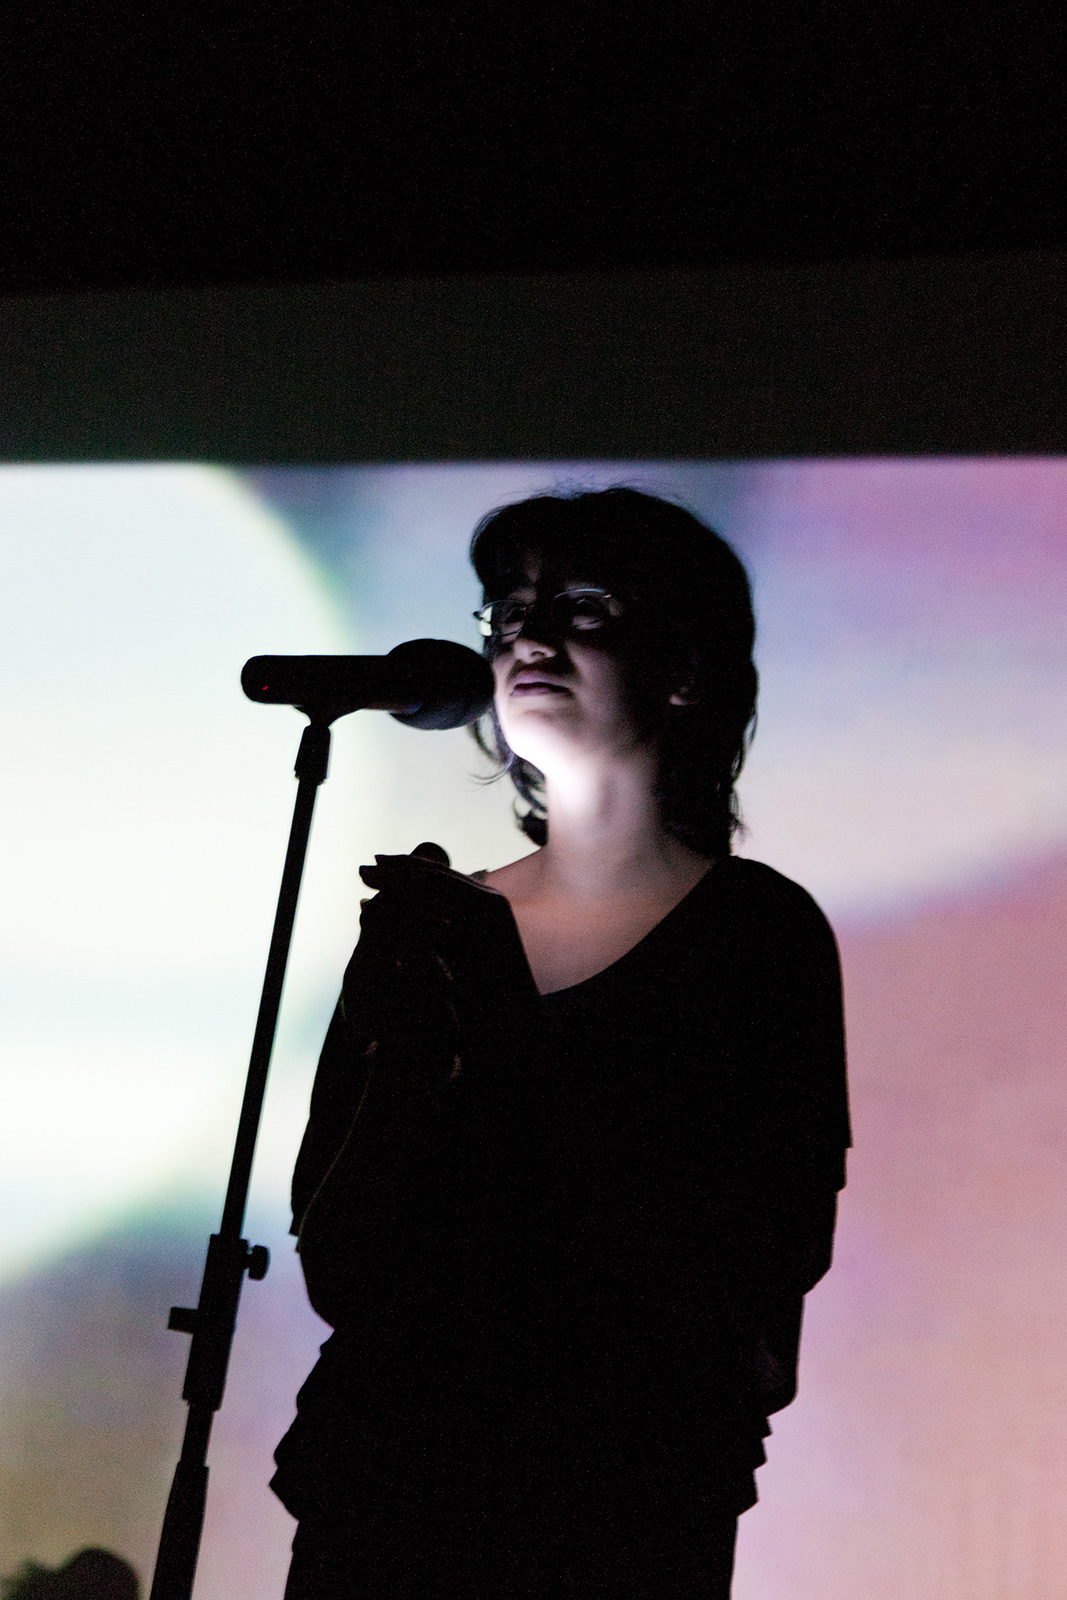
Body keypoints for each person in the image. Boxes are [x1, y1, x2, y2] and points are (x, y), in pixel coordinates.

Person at [271, 486, 850, 1598]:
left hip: (613, 1495)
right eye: (507, 611)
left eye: (581, 606)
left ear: (683, 667)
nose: (526, 638)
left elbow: (739, 1250)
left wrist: (496, 1021)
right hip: (385, 1477)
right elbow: (338, 1245)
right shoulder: (433, 927)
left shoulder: (753, 934)